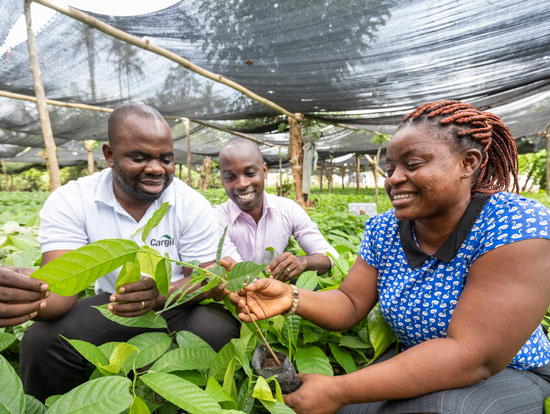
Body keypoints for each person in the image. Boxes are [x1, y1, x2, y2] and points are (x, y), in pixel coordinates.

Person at [230, 100, 550, 414]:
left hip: (509, 372)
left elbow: (472, 355)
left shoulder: (515, 224)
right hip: (416, 359)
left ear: (468, 162)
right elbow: (350, 301)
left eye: (412, 165)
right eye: (390, 168)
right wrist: (291, 296)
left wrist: (338, 389)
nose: (394, 179)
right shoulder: (385, 228)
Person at [0, 103, 238, 402]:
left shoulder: (191, 204)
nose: (155, 168)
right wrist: (29, 295)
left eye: (166, 159)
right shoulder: (73, 199)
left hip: (178, 305)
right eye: (139, 157)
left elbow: (205, 279)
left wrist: (160, 294)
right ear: (110, 155)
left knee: (220, 330)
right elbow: (59, 292)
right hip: (113, 306)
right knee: (42, 341)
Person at [217, 139, 337, 281]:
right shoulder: (216, 219)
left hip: (280, 292)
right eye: (230, 177)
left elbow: (330, 256)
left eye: (250, 173)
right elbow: (240, 276)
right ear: (222, 180)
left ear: (264, 170)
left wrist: (303, 262)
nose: (242, 184)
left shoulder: (288, 209)